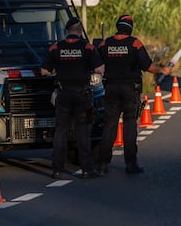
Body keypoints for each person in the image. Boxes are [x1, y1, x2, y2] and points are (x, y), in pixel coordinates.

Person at [97, 15, 171, 174]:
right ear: (130, 28)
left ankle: (102, 164)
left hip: (110, 88)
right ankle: (131, 164)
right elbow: (147, 66)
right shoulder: (135, 43)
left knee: (110, 125)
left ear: (117, 26)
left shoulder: (105, 43)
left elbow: (96, 63)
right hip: (130, 89)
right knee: (130, 126)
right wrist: (162, 70)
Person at [41, 17, 105, 179]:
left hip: (63, 94)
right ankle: (86, 169)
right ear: (80, 30)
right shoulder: (88, 47)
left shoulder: (56, 48)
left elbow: (44, 72)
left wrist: (57, 70)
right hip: (81, 95)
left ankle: (57, 169)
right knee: (82, 132)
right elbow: (100, 69)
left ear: (67, 30)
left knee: (60, 131)